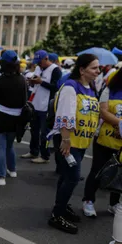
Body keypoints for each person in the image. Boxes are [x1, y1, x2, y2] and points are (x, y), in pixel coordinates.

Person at [48, 54, 100, 234]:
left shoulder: (91, 87)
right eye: (94, 68)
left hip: (81, 141)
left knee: (66, 176)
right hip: (68, 141)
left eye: (98, 68)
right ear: (82, 69)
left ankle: (61, 206)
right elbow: (65, 116)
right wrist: (66, 140)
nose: (98, 71)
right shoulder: (71, 87)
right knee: (73, 177)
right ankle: (57, 213)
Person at [82, 69, 122, 217]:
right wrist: (120, 124)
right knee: (97, 170)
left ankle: (113, 203)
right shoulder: (110, 89)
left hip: (121, 143)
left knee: (119, 173)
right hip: (104, 139)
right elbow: (103, 111)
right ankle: (88, 200)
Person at [0, 50, 27, 186]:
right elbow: (24, 101)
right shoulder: (22, 80)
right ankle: (12, 170)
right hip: (16, 119)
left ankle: (0, 176)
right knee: (9, 146)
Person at [22, 50, 62, 164]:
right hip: (36, 103)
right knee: (34, 130)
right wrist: (32, 81)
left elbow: (56, 88)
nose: (39, 64)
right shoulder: (39, 68)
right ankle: (33, 151)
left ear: (46, 59)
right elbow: (36, 80)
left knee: (44, 132)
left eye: (40, 62)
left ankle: (45, 155)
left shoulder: (55, 70)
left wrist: (41, 82)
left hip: (47, 105)